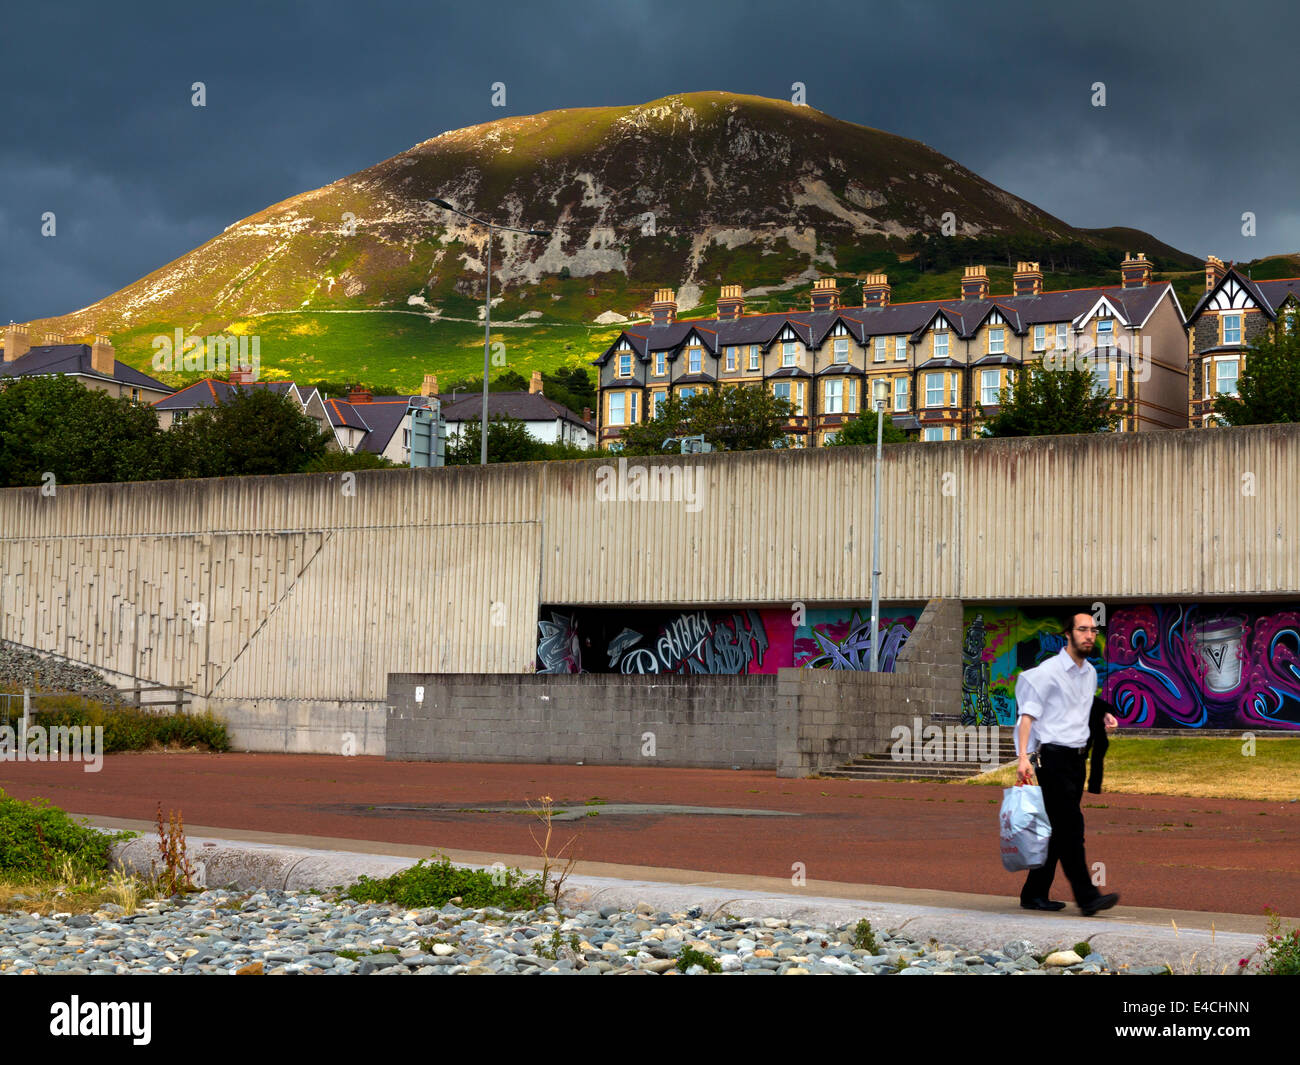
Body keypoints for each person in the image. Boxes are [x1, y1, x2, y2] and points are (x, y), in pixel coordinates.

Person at [1014, 610, 1120, 915]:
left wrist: (1103, 715)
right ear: (1068, 635)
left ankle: (1033, 893)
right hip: (1053, 760)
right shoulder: (1048, 673)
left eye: (1093, 631)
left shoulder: (1089, 673)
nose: (1089, 635)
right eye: (1083, 630)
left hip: (1077, 762)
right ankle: (1087, 898)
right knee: (1072, 827)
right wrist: (1024, 758)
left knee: (1057, 831)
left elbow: (1081, 706)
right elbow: (1027, 718)